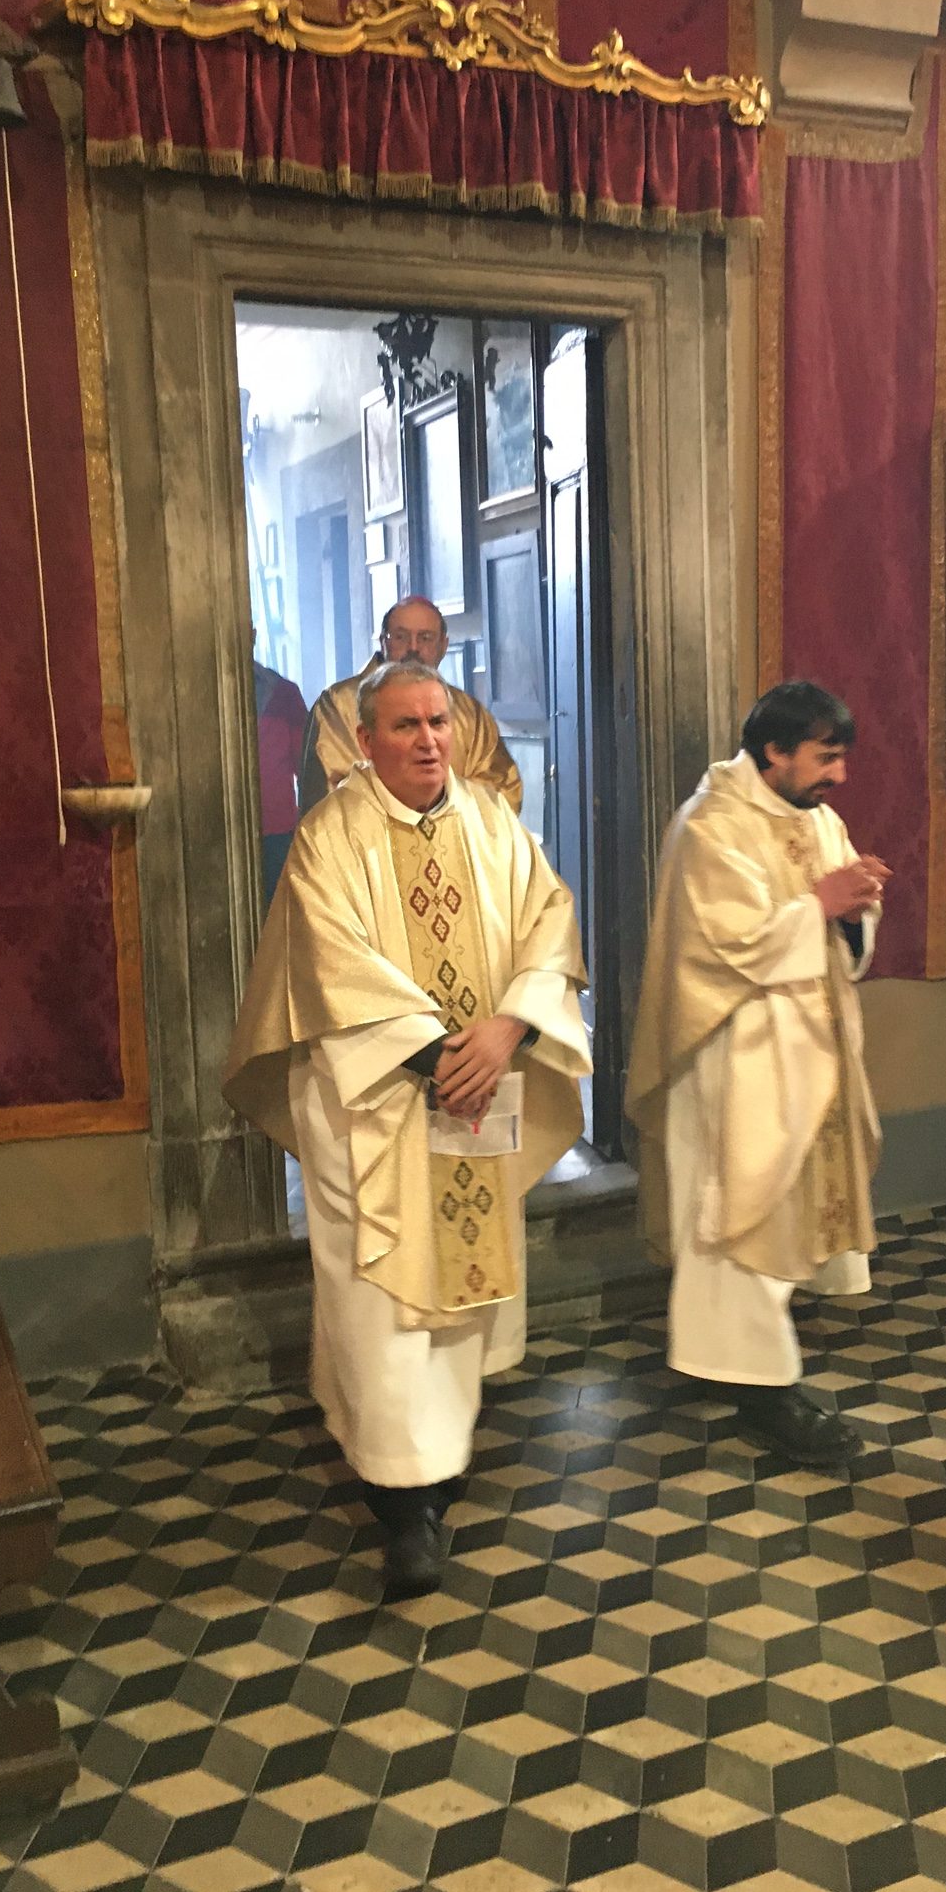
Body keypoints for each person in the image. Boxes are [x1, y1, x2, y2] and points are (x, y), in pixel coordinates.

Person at [225, 659, 589, 1596]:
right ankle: (401, 1501)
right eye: (405, 726)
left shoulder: (493, 823)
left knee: (456, 1293)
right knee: (381, 1301)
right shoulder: (330, 837)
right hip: (378, 1105)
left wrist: (506, 1031)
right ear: (366, 740)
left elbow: (550, 923)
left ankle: (440, 1459)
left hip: (478, 1092)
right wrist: (441, 1057)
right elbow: (330, 964)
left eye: (439, 722)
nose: (428, 740)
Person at [626, 680, 890, 1467]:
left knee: (785, 1206)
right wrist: (821, 905)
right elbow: (722, 945)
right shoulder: (710, 825)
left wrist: (853, 912)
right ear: (775, 751)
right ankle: (759, 1385)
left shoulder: (818, 817)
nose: (840, 775)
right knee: (739, 1207)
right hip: (737, 1058)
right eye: (825, 758)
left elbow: (840, 920)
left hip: (812, 1049)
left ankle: (751, 1355)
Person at [298, 595, 522, 816]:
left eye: (425, 638)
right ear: (384, 642)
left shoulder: (470, 714)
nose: (413, 648)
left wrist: (440, 818)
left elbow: (501, 794)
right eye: (400, 637)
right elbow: (331, 794)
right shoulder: (339, 705)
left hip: (456, 838)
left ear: (443, 646)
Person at [253, 633, 308, 901]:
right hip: (218, 832)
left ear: (252, 635)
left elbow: (307, 770)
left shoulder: (284, 694)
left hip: (277, 834)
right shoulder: (200, 696)